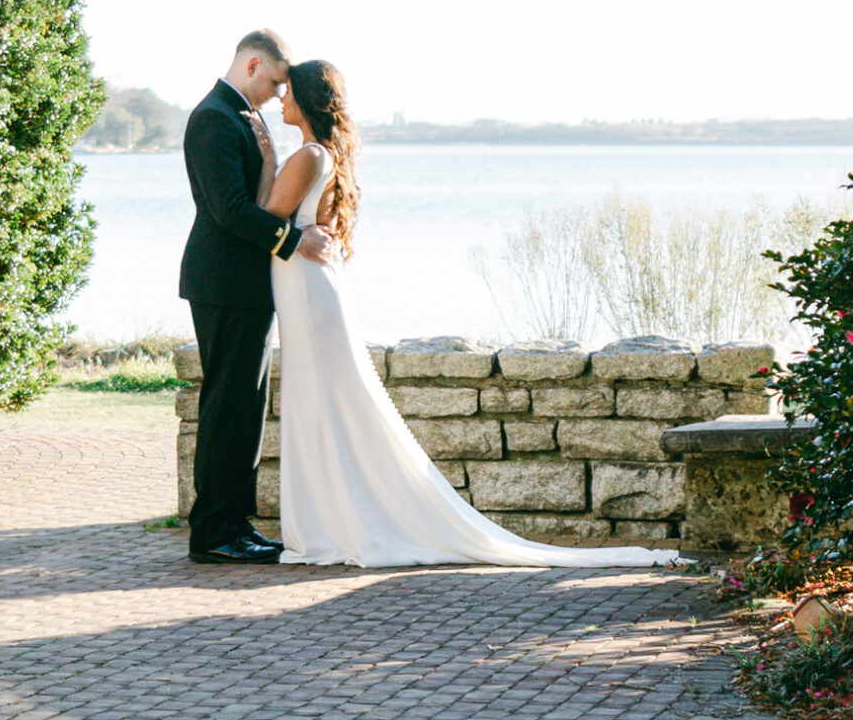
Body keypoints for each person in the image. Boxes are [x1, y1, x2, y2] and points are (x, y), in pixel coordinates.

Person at [259, 58, 680, 568]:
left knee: (321, 405)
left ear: (304, 98)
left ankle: (333, 527)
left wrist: (263, 162)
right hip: (313, 288)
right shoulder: (324, 153)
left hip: (308, 291)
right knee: (324, 405)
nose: (280, 100)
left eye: (286, 93)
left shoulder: (306, 155)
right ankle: (333, 520)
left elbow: (265, 218)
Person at [179, 29, 336, 564]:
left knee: (246, 406)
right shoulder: (212, 119)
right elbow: (227, 209)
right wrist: (293, 241)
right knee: (227, 404)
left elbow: (262, 192)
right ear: (250, 65)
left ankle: (235, 524)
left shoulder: (243, 114)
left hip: (245, 284)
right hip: (222, 282)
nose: (276, 92)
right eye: (272, 81)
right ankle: (213, 532)